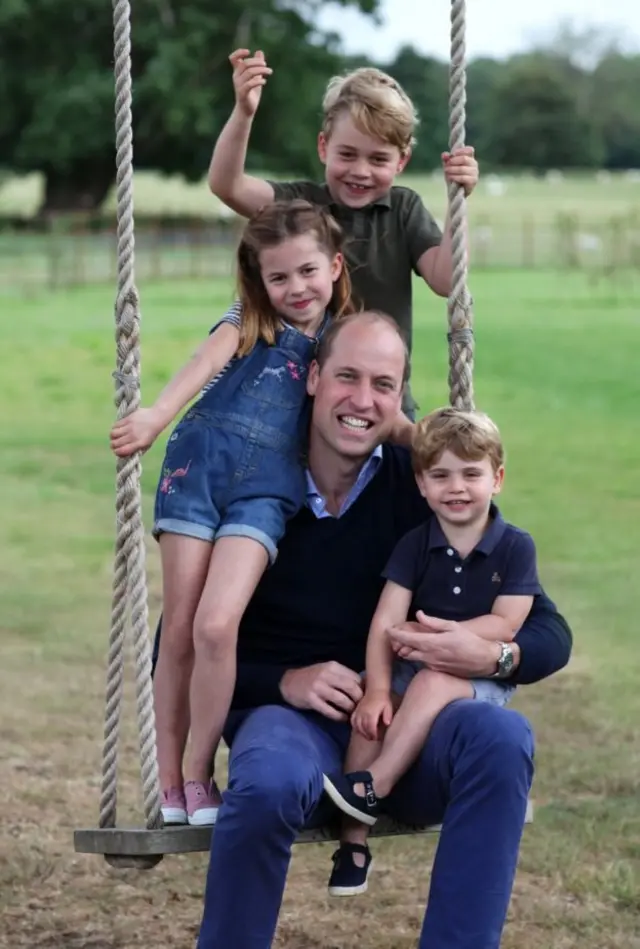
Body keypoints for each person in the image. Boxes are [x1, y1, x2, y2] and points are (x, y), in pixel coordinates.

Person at [150, 311, 572, 948]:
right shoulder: (255, 483)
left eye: (384, 384)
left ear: (400, 397)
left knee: (500, 735)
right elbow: (178, 643)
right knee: (265, 781)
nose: (363, 400)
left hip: (408, 725)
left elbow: (547, 630)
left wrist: (489, 654)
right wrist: (285, 681)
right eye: (347, 377)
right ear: (313, 377)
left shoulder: (425, 484)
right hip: (291, 726)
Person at [110, 199, 360, 828]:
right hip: (198, 468)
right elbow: (204, 364)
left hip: (268, 489)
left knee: (218, 627)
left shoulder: (341, 338)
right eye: (279, 277)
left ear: (333, 266)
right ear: (260, 280)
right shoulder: (249, 317)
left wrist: (429, 442)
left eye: (307, 272)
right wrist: (155, 416)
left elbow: (368, 405)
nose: (295, 289)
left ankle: (199, 772)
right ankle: (170, 781)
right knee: (181, 628)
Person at [322, 407, 542, 896]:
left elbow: (508, 622)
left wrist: (447, 640)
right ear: (421, 484)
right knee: (369, 714)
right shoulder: (416, 544)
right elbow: (385, 621)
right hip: (414, 659)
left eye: (471, 474)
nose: (457, 487)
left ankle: (375, 784)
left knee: (433, 680)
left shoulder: (515, 548)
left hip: (477, 673)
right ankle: (353, 841)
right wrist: (378, 690)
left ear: (497, 478)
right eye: (440, 475)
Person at [207, 53, 479, 415]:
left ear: (401, 162)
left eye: (378, 159)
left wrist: (458, 199)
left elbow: (447, 280)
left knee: (401, 468)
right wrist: (244, 112)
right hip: (301, 402)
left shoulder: (403, 209)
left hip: (383, 401)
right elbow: (228, 185)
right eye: (347, 154)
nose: (360, 171)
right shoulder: (301, 205)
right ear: (323, 147)